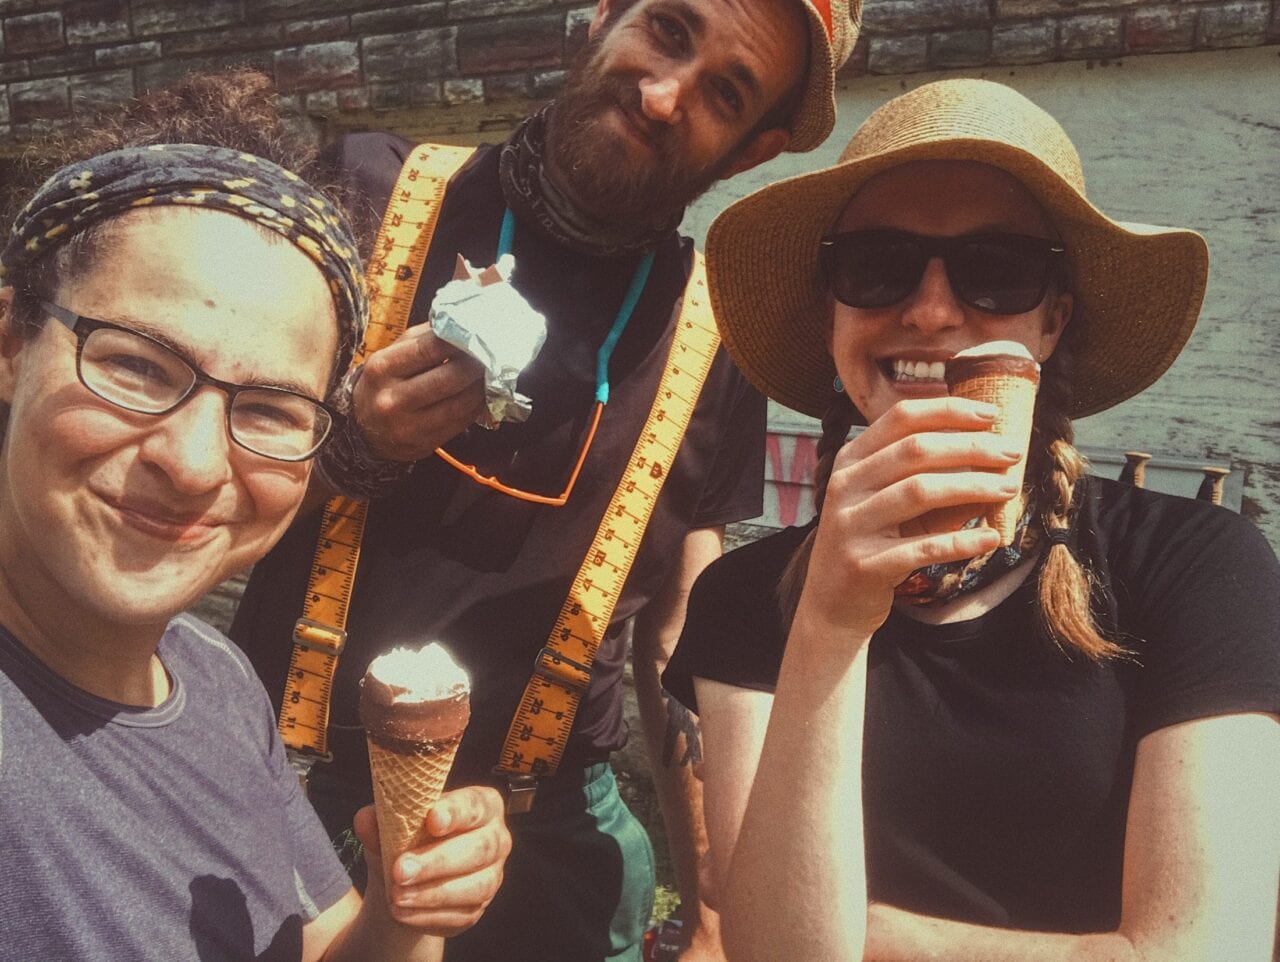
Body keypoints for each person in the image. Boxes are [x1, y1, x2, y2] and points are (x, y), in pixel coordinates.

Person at [230, 1, 862, 959]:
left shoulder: (714, 340)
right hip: (285, 795)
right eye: (667, 29)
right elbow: (190, 473)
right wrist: (349, 447)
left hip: (545, 845)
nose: (662, 93)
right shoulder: (366, 193)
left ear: (753, 149)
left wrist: (715, 920)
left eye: (724, 91)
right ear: (604, 15)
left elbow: (678, 635)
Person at [663, 78, 1280, 961]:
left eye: (997, 272)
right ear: (834, 309)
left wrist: (865, 934)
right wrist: (832, 622)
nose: (932, 309)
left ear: (1053, 319)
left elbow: (1208, 952)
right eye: (876, 264)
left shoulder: (1201, 566)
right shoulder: (744, 599)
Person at [0, 72, 510, 962]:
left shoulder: (221, 682)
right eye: (137, 366)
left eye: (272, 409)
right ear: (11, 344)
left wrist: (402, 913)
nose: (193, 464)